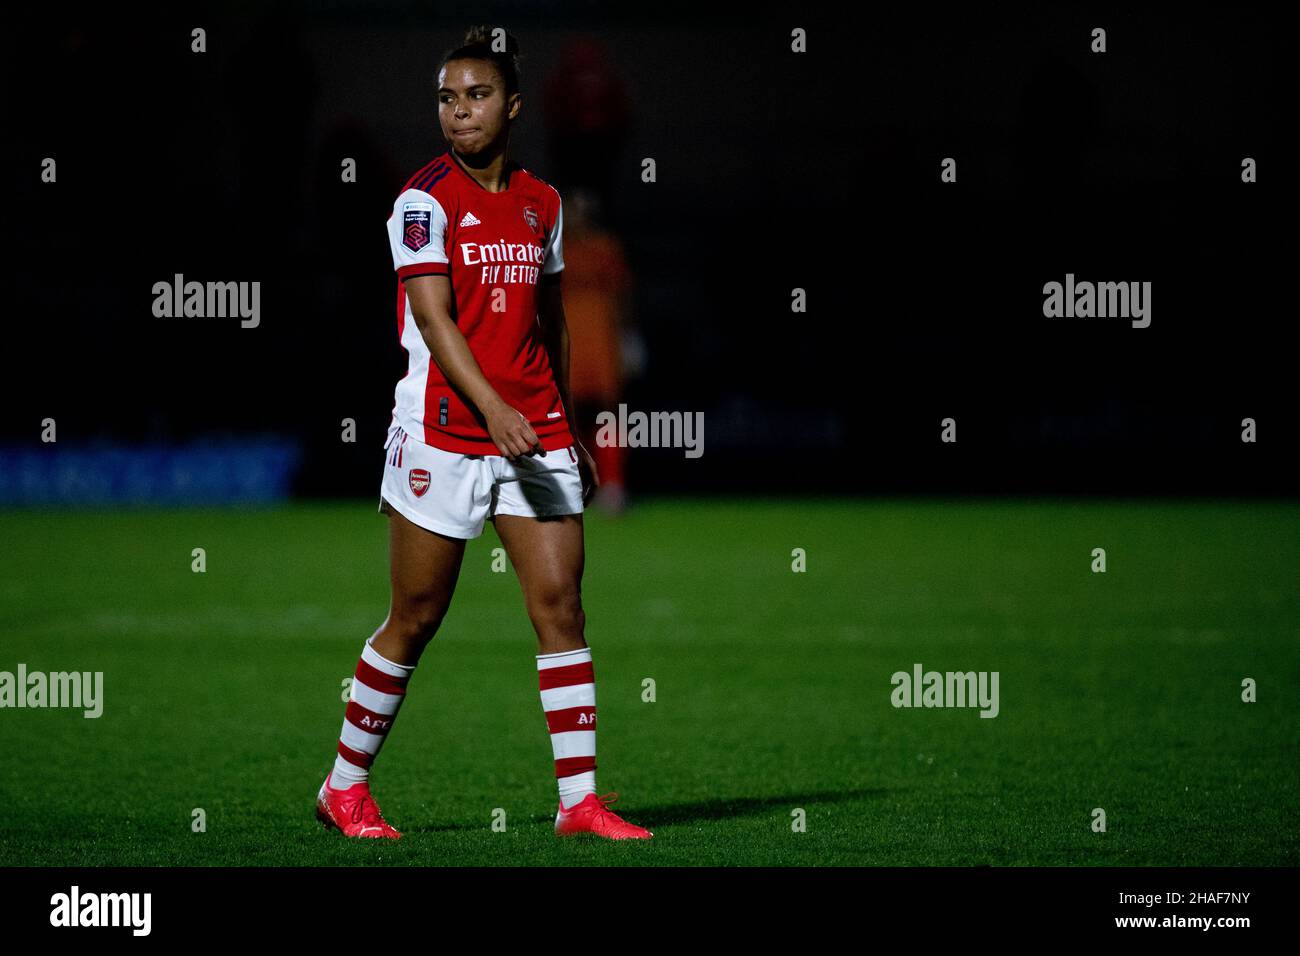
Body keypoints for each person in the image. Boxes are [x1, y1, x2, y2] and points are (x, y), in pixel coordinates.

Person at [314, 25, 652, 841]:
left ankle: (580, 804)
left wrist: (558, 415)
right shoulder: (422, 201)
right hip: (443, 433)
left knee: (561, 608)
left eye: (475, 95)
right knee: (418, 616)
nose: (459, 112)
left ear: (512, 106)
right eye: (446, 98)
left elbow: (551, 320)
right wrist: (494, 410)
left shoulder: (542, 205)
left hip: (532, 432)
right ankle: (344, 786)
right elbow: (433, 322)